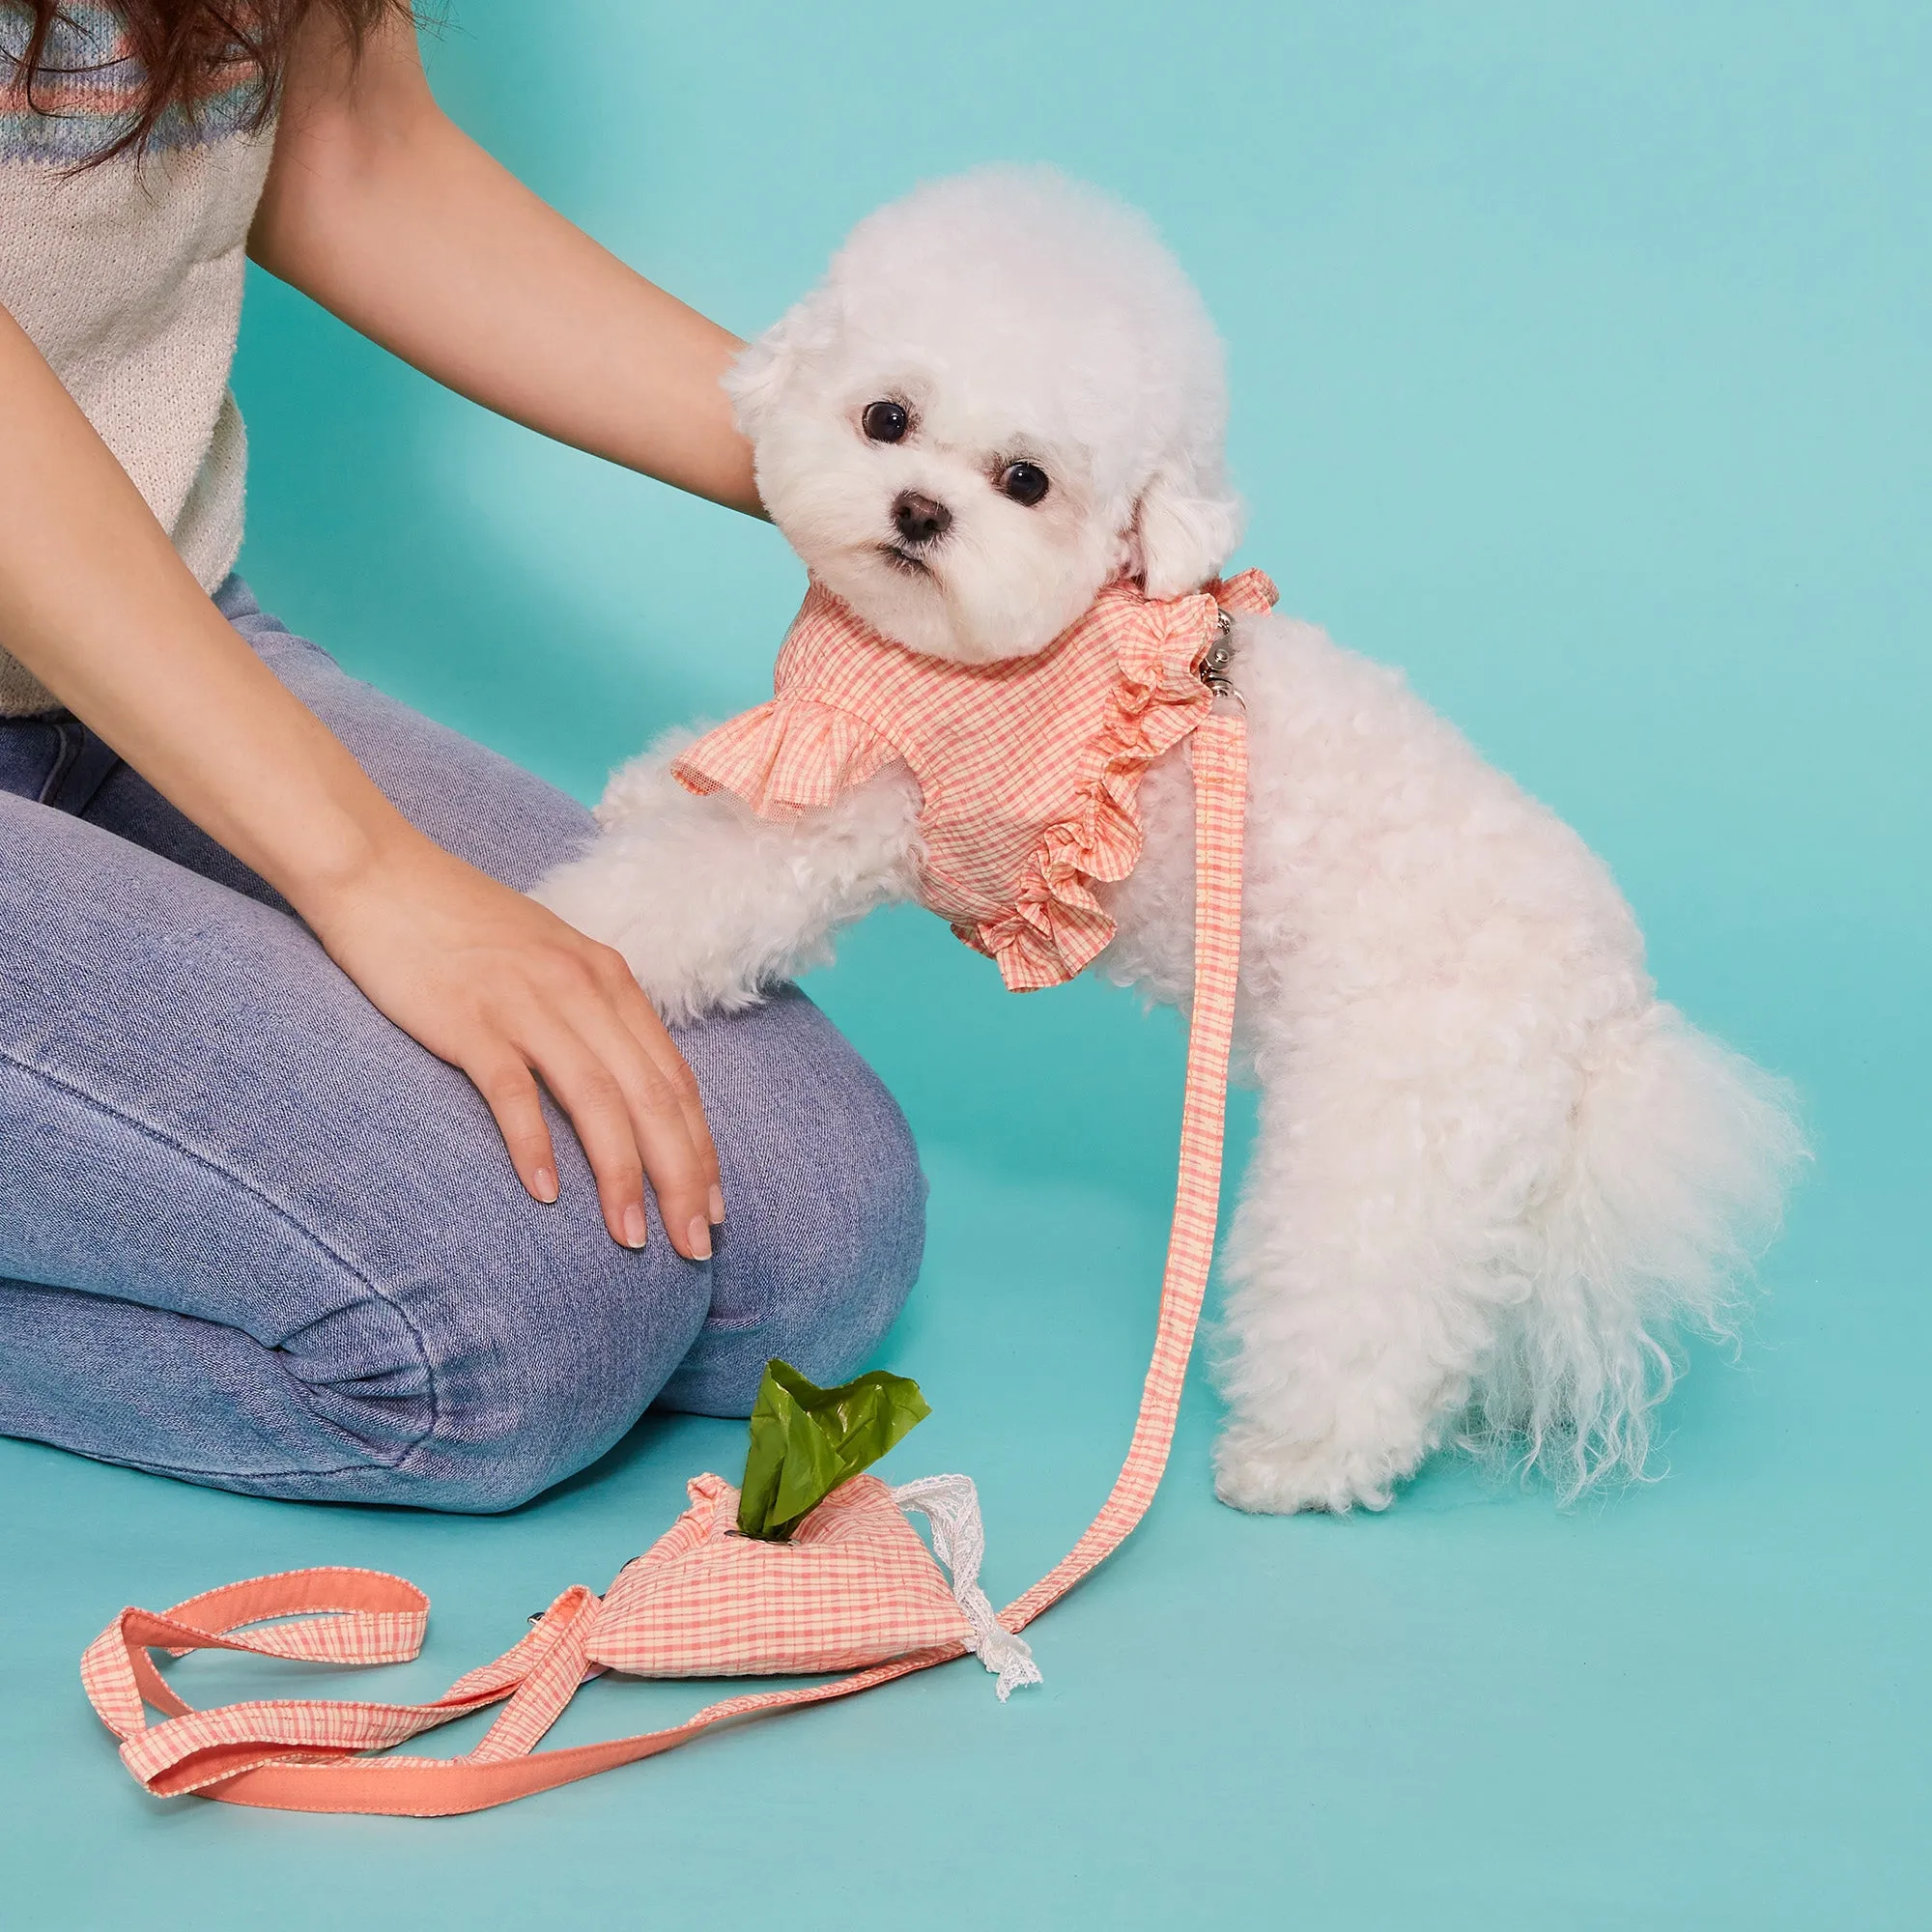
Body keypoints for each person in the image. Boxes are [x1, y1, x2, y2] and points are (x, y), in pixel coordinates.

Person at [0, 1, 925, 1511]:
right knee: (497, 1346)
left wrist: (893, 479)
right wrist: (366, 869)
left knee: (807, 1240)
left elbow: (353, 150)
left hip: (129, 653)